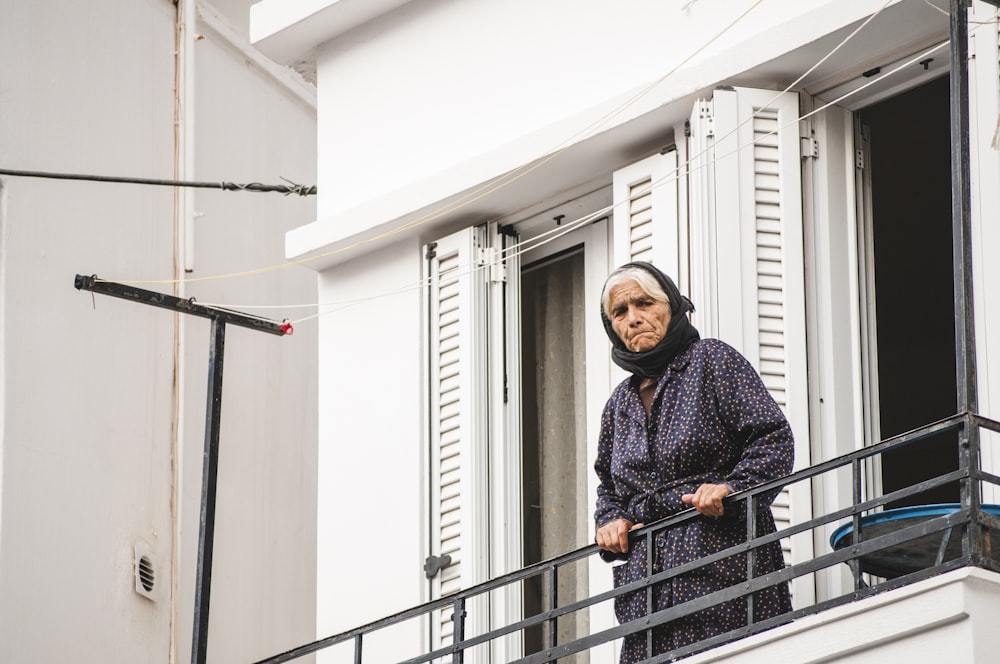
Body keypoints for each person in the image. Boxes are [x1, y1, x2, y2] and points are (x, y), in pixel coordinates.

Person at [593, 261, 793, 663]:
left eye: (644, 303)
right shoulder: (619, 404)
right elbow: (609, 487)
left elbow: (772, 438)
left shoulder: (712, 361)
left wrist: (733, 487)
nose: (633, 319)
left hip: (721, 563)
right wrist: (611, 520)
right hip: (645, 592)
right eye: (620, 312)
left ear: (672, 307)